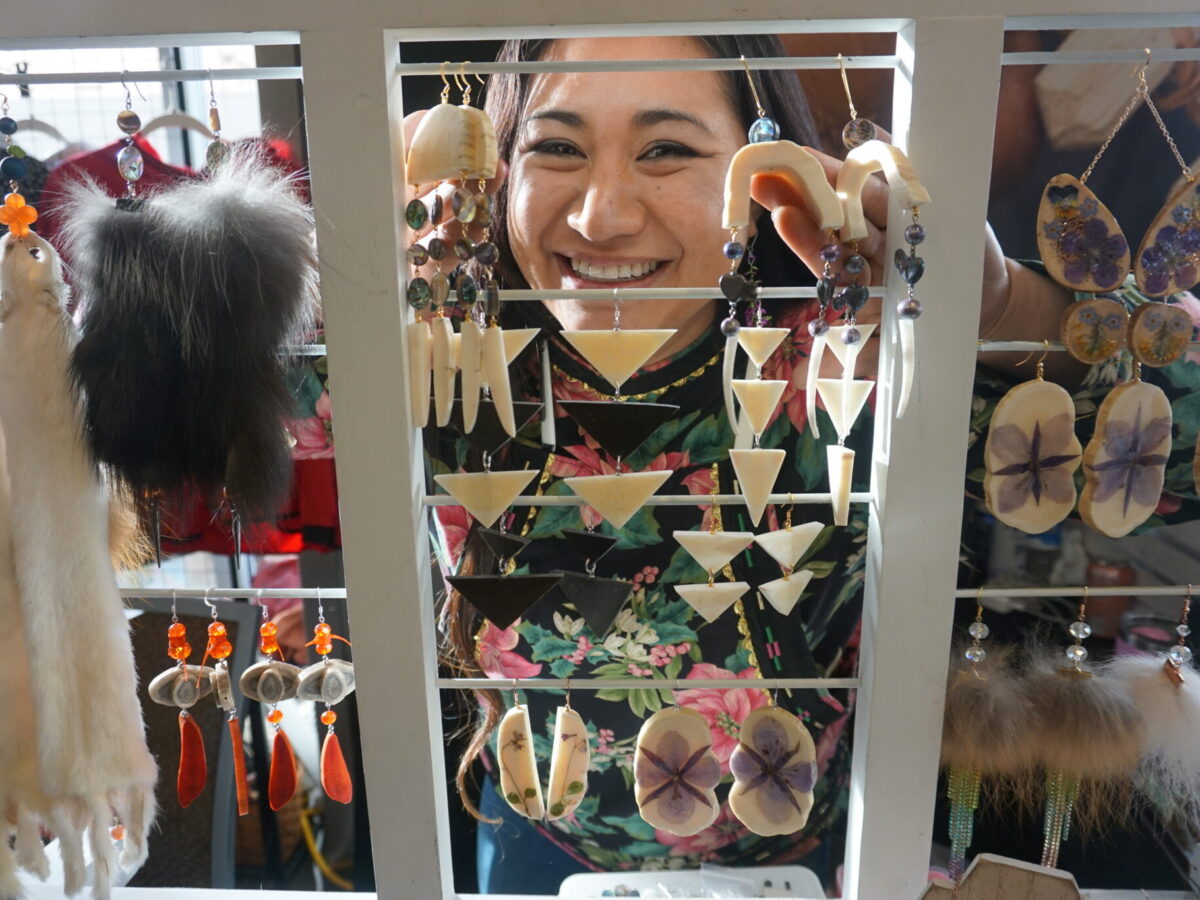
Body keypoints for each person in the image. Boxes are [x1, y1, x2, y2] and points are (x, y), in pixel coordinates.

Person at [404, 34, 1190, 894]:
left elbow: (1176, 464)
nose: (602, 215)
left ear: (764, 174)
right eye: (557, 147)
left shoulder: (843, 372)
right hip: (530, 852)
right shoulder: (438, 368)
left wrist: (999, 302)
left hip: (808, 858)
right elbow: (240, 411)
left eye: (667, 149)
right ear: (498, 171)